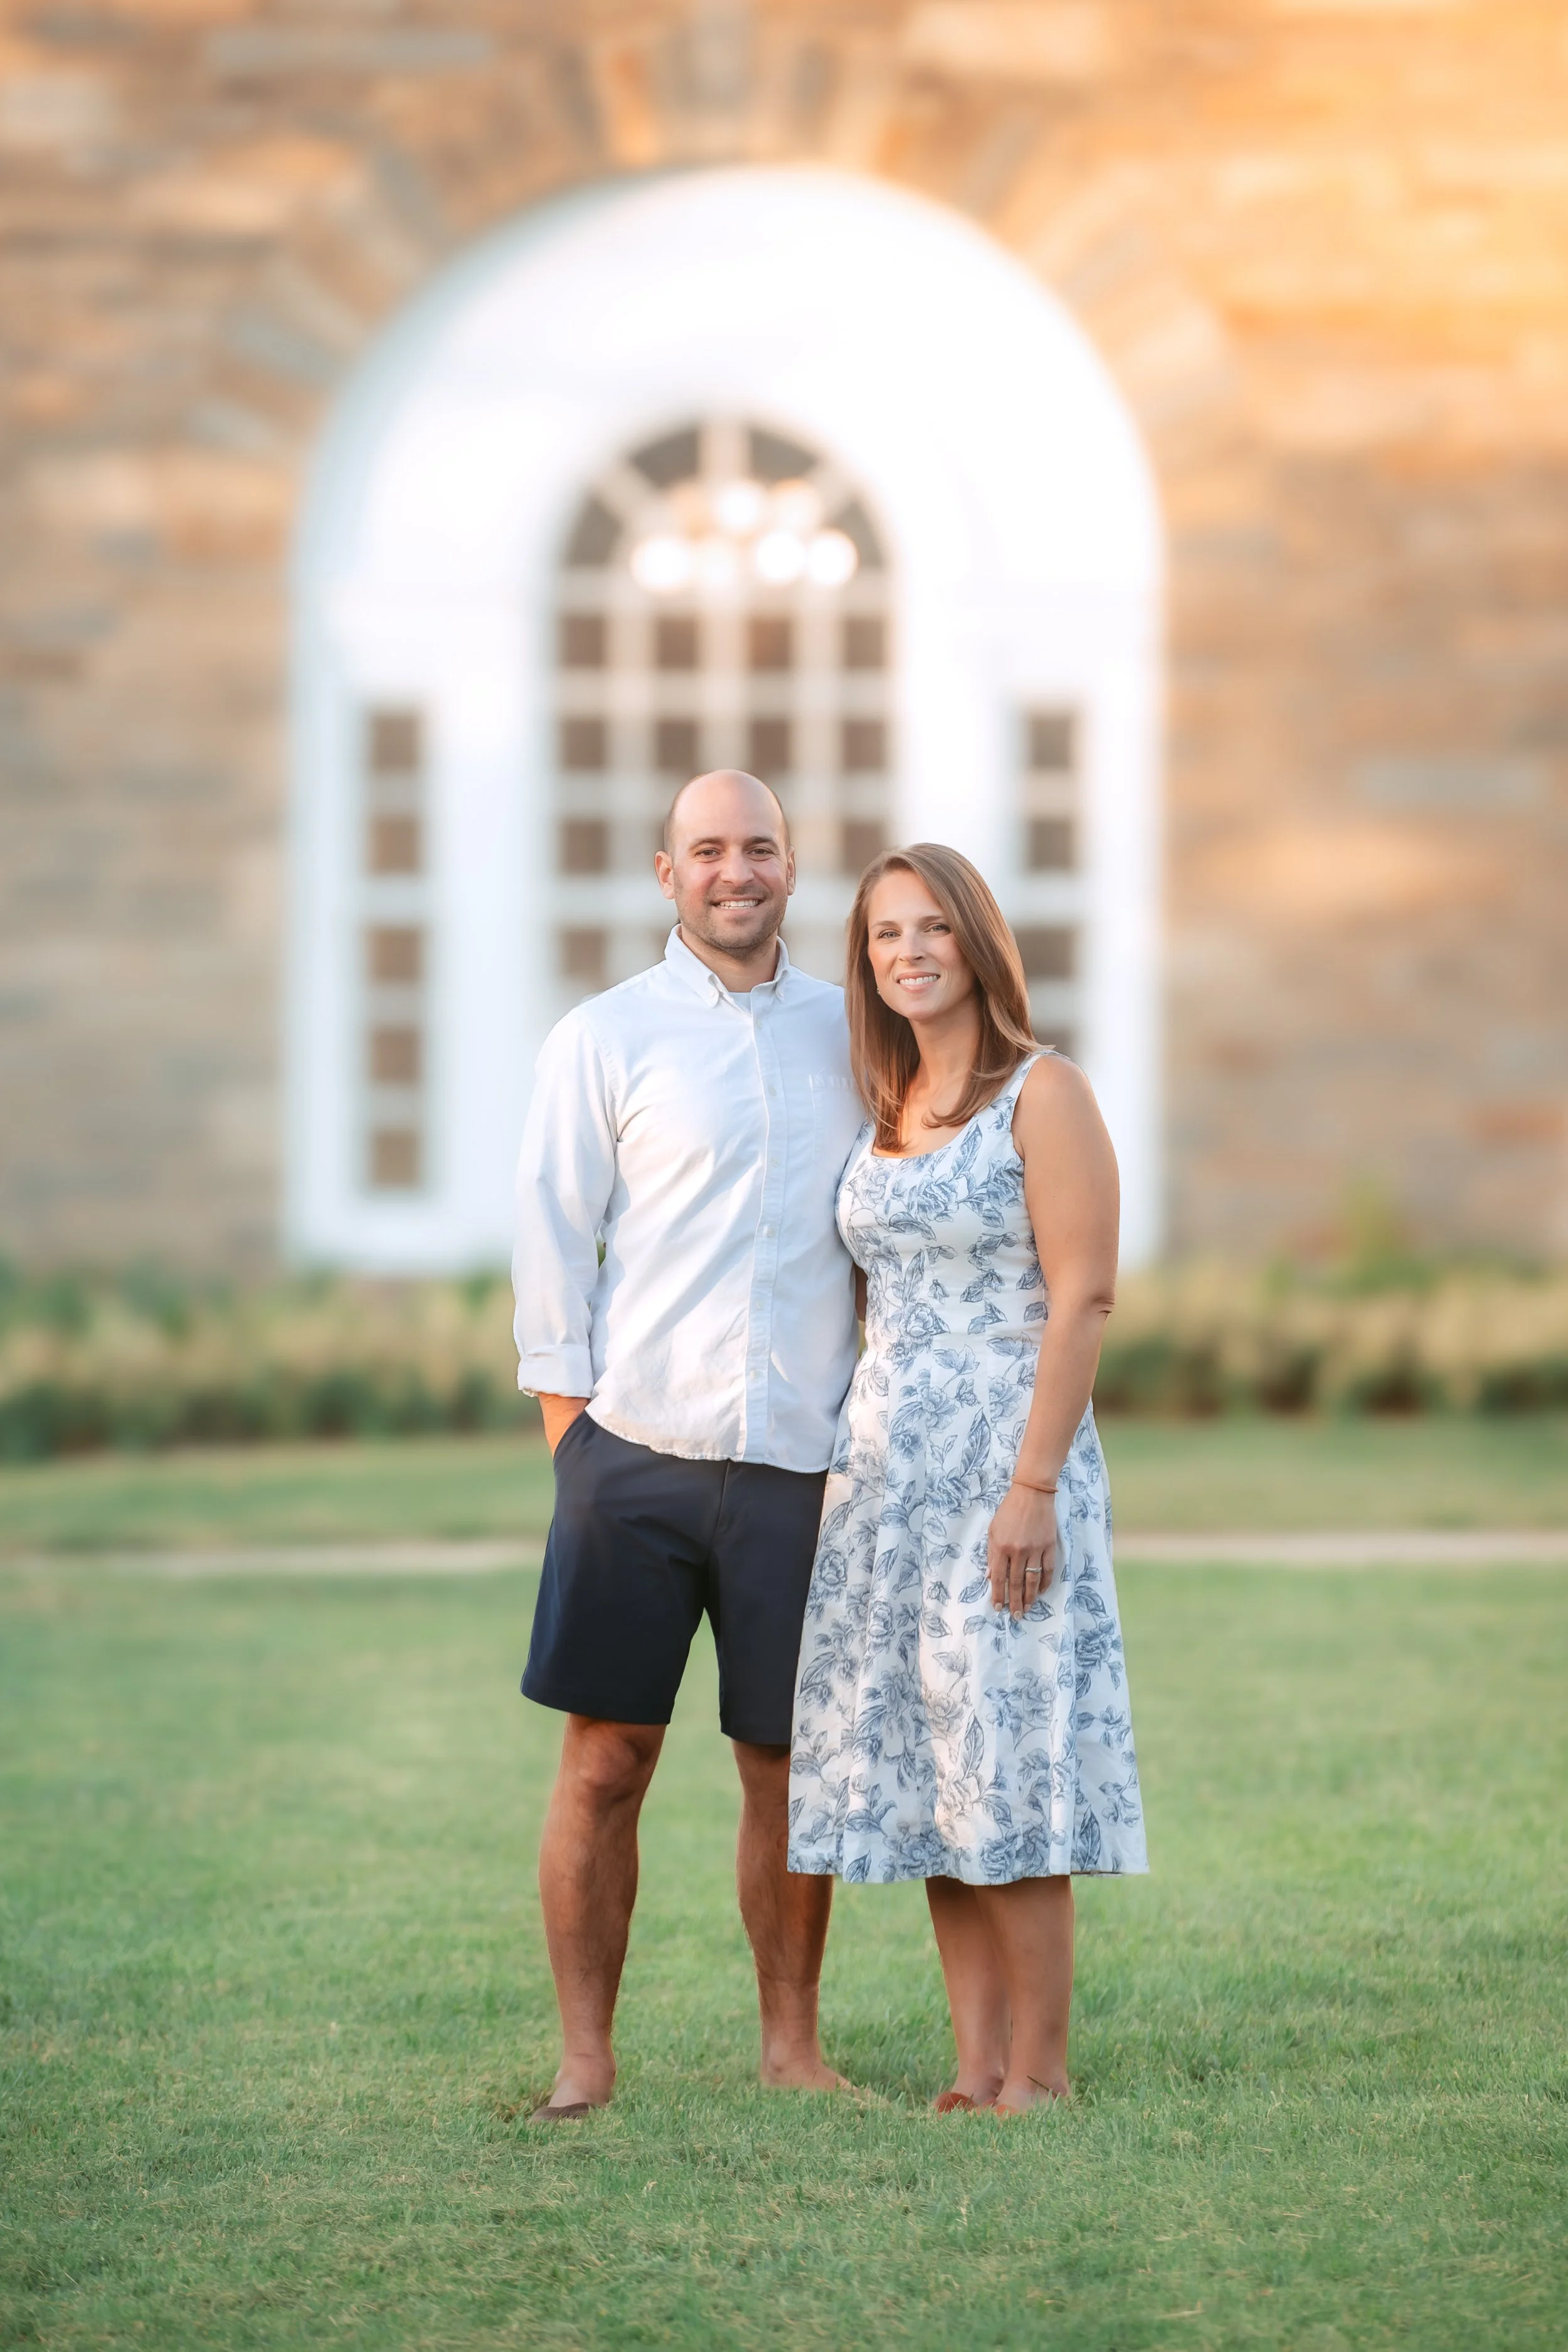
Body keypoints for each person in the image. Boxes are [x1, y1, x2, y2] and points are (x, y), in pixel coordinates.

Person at [512, 768, 865, 2119]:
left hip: (800, 1465)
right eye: (707, 849)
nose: (736, 870)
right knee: (605, 1761)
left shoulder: (855, 1037)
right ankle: (585, 2062)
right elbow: (551, 1238)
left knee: (785, 1767)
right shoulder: (602, 1038)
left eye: (759, 847)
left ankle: (792, 2050)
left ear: (791, 866)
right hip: (633, 1458)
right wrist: (573, 1449)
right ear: (666, 873)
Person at [787, 842, 1148, 2114]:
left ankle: (1038, 2075)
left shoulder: (1042, 1094)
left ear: (977, 943)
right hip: (886, 1477)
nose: (906, 953)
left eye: (931, 928)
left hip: (1004, 1464)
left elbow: (1083, 1295)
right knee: (942, 1774)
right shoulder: (881, 1110)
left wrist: (1031, 1486)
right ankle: (973, 2065)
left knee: (1008, 1761)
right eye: (884, 935)